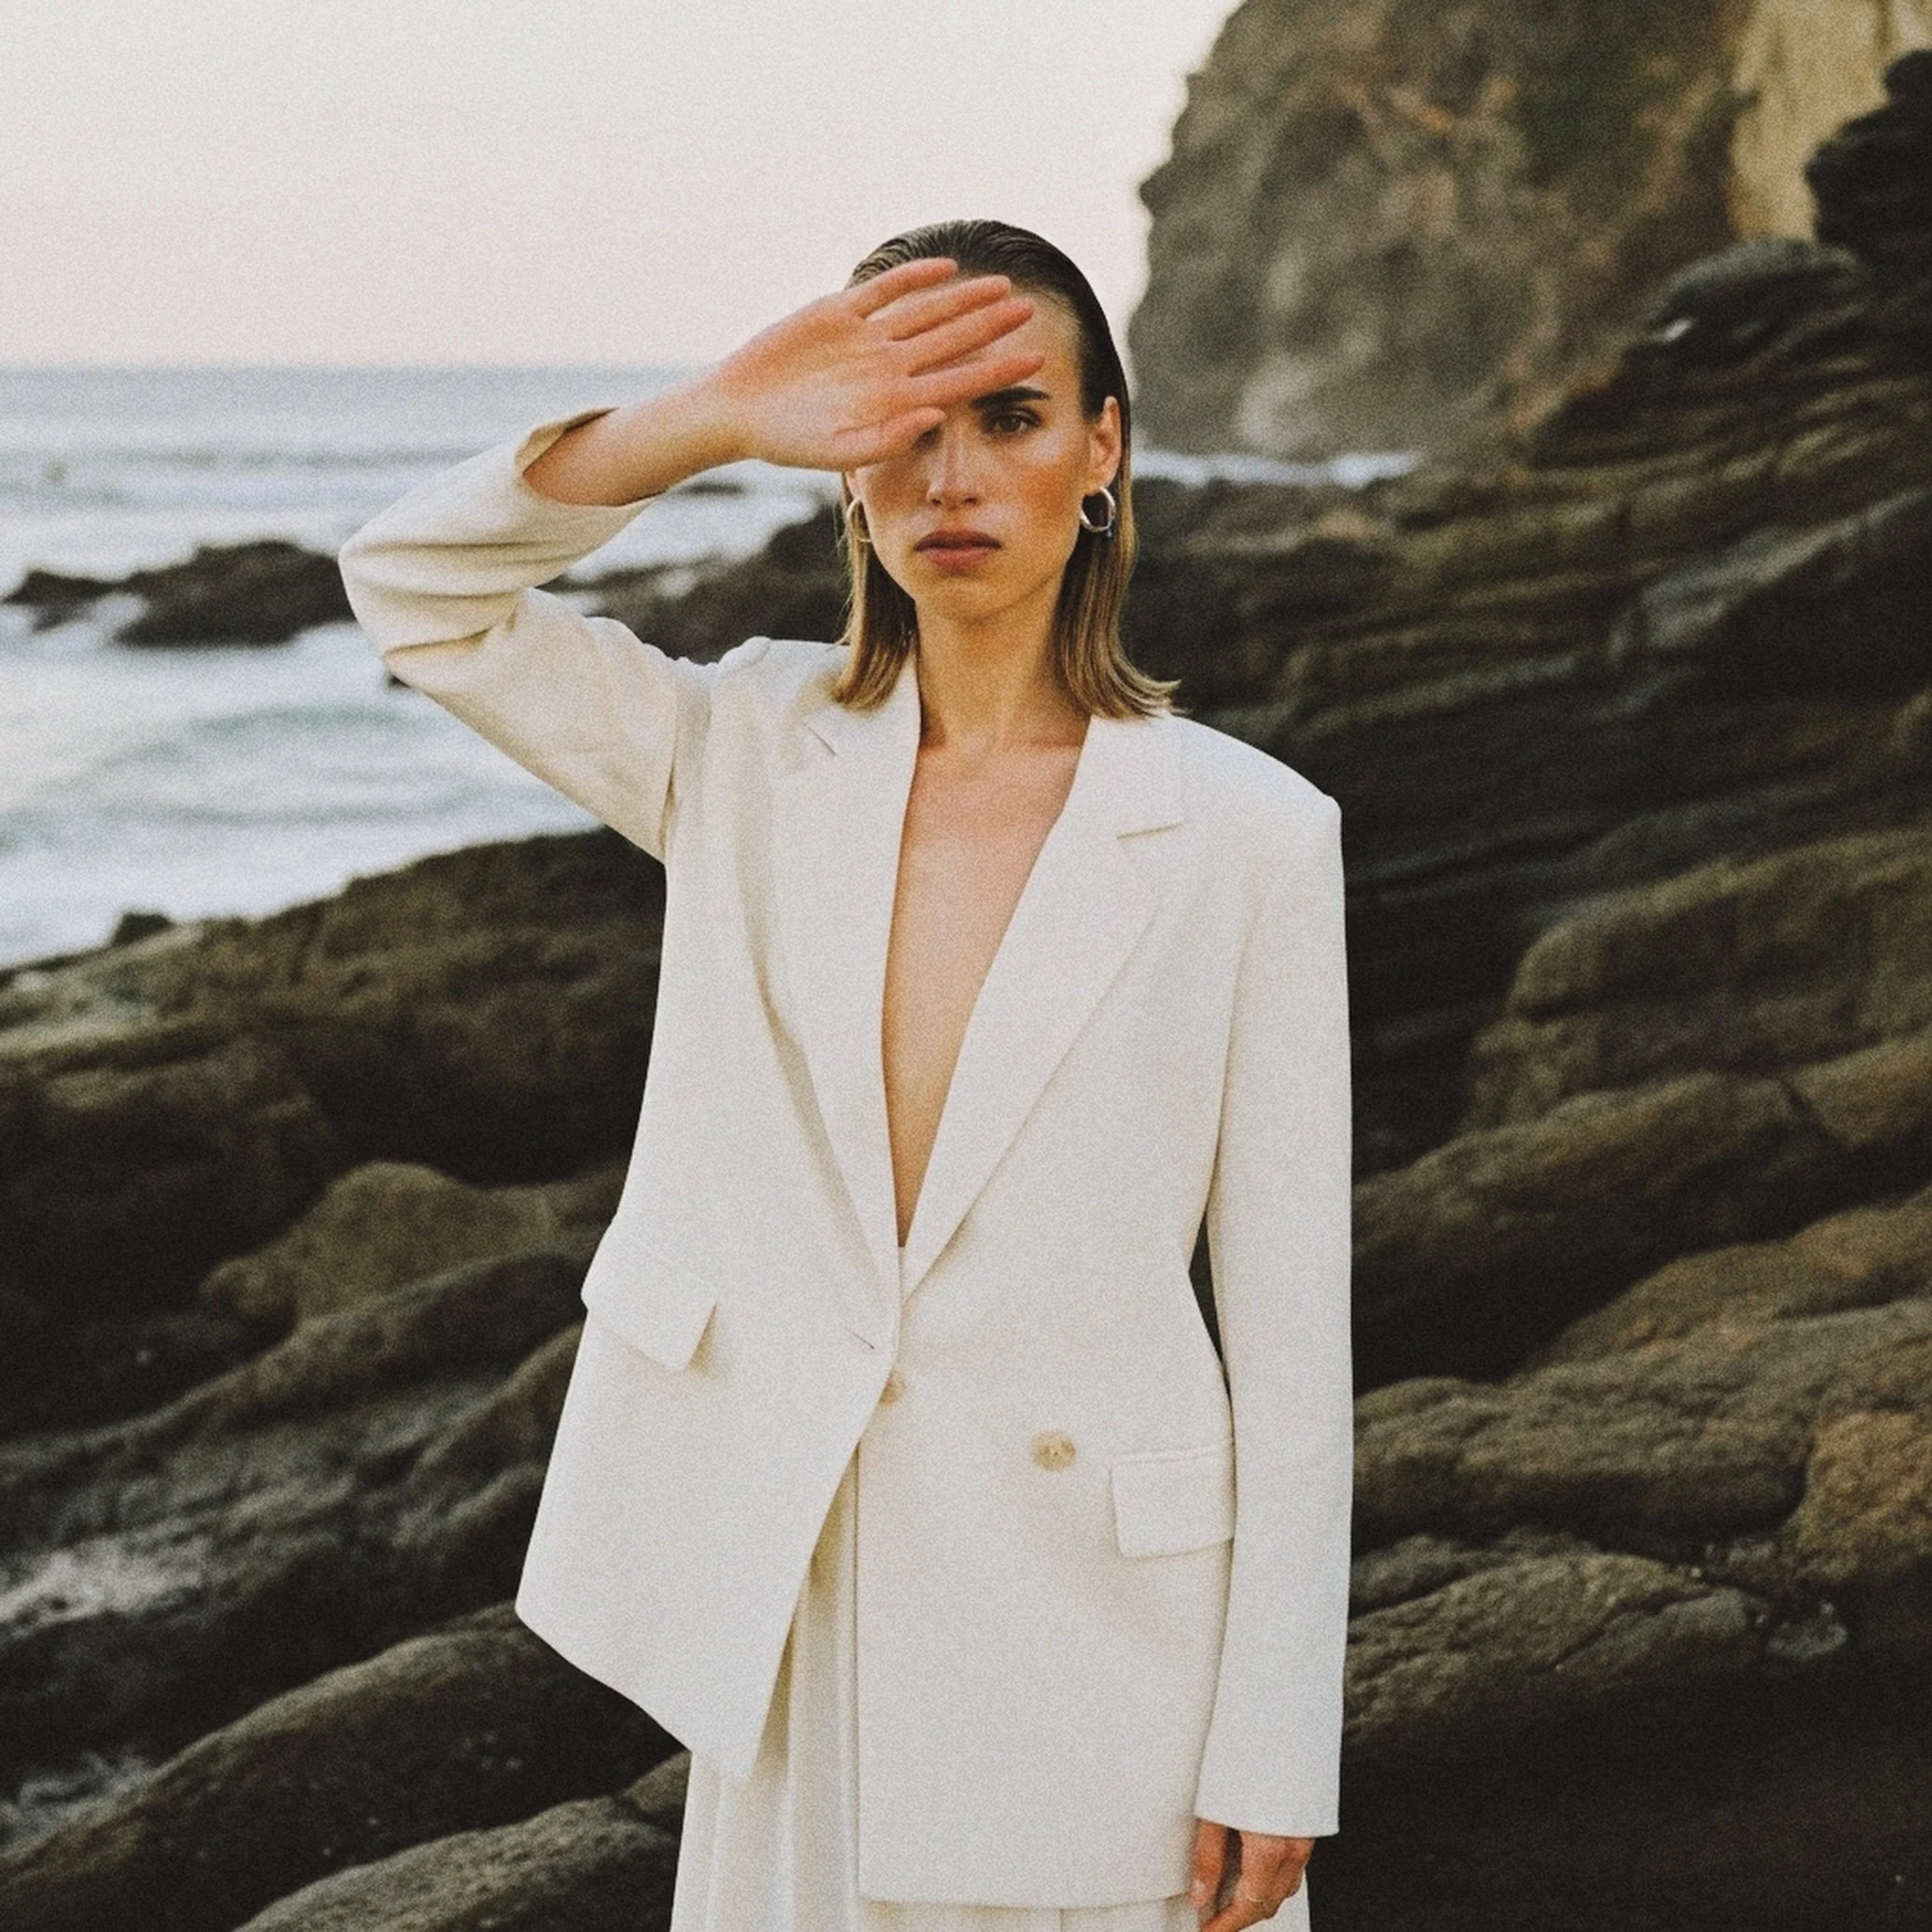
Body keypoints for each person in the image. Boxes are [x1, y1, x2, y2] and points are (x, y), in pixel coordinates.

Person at [338, 218, 1352, 1932]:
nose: (952, 479)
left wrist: (1277, 1739)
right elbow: (417, 589)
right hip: (802, 1603)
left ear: (1104, 447)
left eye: (1012, 418)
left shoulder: (1252, 832)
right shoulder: (741, 747)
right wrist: (717, 412)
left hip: (1112, 1661)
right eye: (903, 424)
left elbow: (1294, 1333)